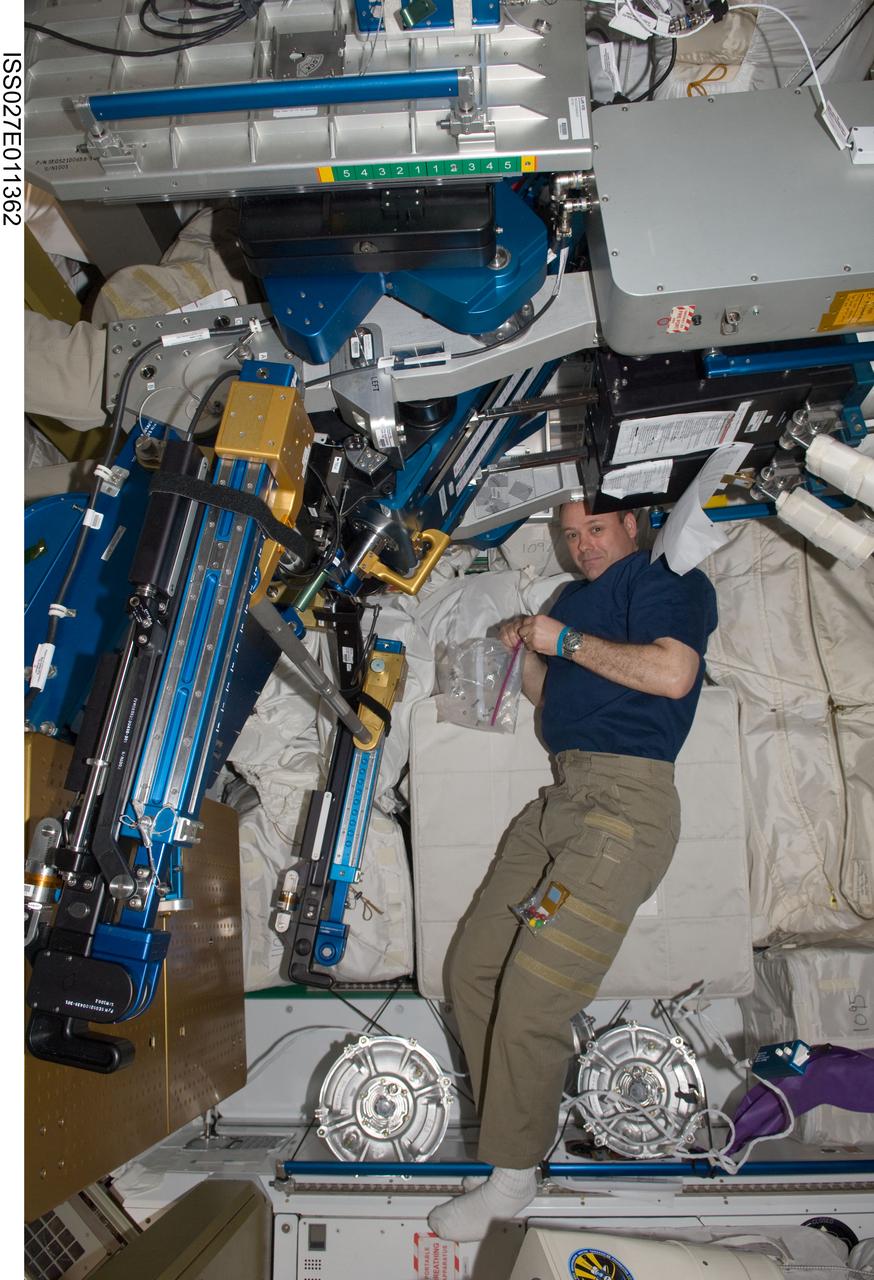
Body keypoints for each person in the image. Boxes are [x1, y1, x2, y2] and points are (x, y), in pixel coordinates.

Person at [428, 501, 718, 1244]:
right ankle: (514, 1147)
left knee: (531, 999)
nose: (582, 545)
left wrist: (568, 638)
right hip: (564, 795)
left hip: (626, 808)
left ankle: (512, 1175)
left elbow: (674, 673)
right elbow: (550, 699)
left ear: (633, 524)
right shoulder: (568, 599)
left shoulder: (662, 575)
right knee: (470, 973)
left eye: (595, 529)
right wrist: (525, 651)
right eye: (571, 535)